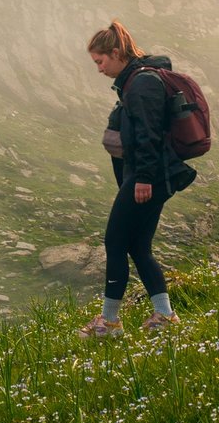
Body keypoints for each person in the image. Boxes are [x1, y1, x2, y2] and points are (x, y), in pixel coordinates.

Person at [82, 21, 194, 336]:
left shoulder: (142, 84)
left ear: (116, 53)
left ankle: (110, 322)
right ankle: (164, 316)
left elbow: (148, 134)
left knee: (115, 241)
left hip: (148, 175)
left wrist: (143, 177)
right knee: (138, 245)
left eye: (100, 61)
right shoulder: (137, 79)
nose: (99, 69)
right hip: (152, 175)